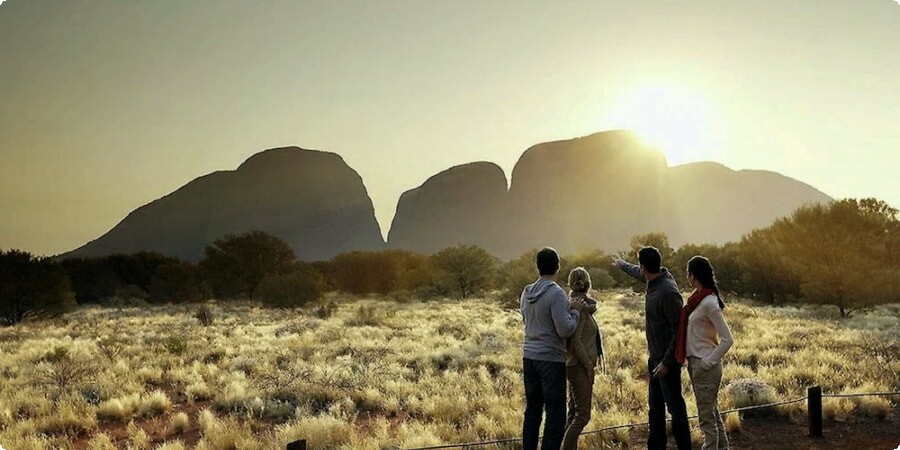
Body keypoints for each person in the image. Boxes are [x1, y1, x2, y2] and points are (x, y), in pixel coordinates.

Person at [612, 247, 691, 450]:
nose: (639, 270)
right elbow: (637, 273)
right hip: (655, 358)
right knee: (655, 409)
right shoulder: (656, 278)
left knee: (675, 409)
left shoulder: (668, 292)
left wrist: (667, 362)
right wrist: (622, 266)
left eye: (640, 266)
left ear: (644, 266)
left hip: (666, 361)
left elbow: (679, 329)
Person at [521, 247, 585, 450]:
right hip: (551, 359)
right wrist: (575, 312)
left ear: (537, 267)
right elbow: (564, 329)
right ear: (558, 266)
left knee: (532, 411)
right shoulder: (556, 293)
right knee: (555, 415)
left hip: (529, 357)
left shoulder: (526, 291)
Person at [677, 256, 734, 450]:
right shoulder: (698, 299)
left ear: (692, 276)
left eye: (688, 273)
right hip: (698, 364)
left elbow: (728, 339)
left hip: (704, 366)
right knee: (712, 414)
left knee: (707, 421)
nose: (687, 277)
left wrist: (707, 363)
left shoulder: (709, 302)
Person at [561, 267, 604, 450]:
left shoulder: (574, 304)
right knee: (582, 416)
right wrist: (588, 365)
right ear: (588, 284)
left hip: (572, 365)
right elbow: (577, 341)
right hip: (579, 366)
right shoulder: (582, 308)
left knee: (573, 414)